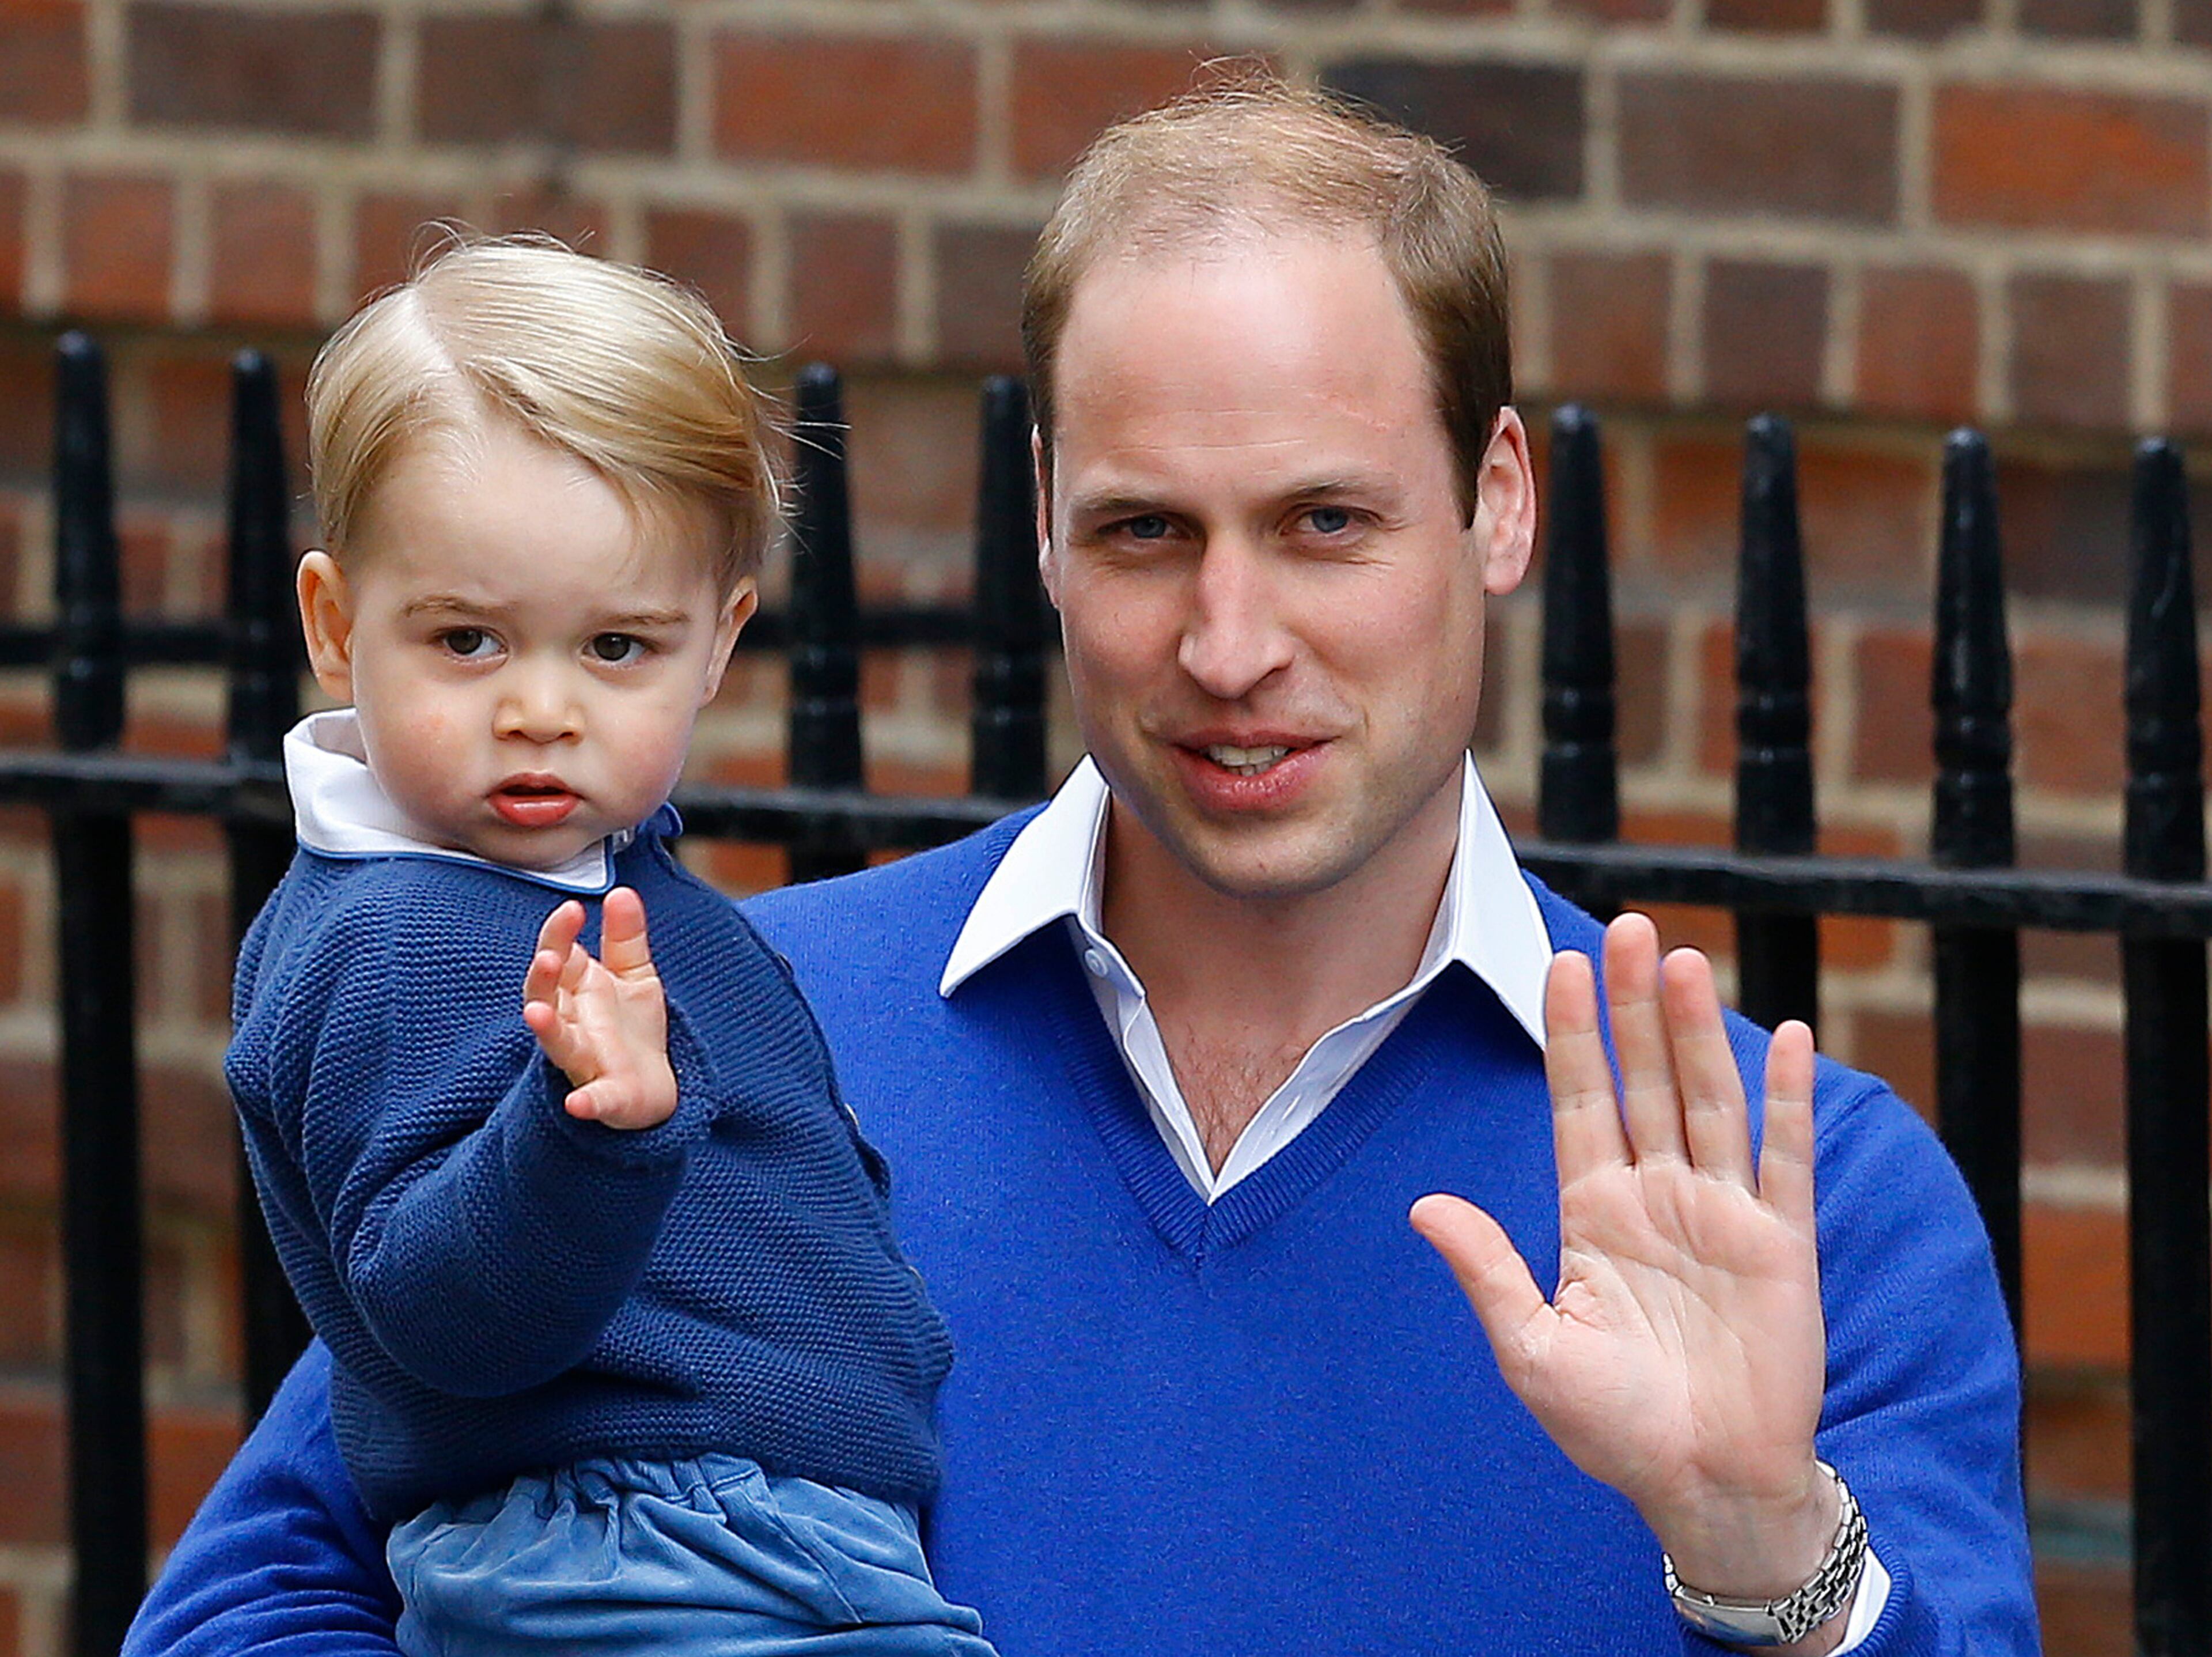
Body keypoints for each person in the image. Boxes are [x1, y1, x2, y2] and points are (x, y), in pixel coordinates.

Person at [127, 78, 2036, 1656]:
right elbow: (252, 1602)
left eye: (1325, 521)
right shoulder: (708, 1025)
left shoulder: (1809, 1202)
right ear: (1041, 524)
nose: (1228, 640)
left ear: (1503, 501)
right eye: (1143, 530)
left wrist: (1767, 1544)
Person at [216, 237, 993, 1656]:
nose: (540, 707)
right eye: (466, 640)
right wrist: (590, 1135)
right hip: (632, 1542)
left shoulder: (618, 889)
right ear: (336, 626)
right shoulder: (393, 932)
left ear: (718, 640)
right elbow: (438, 1313)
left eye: (616, 647)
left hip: (763, 1534)